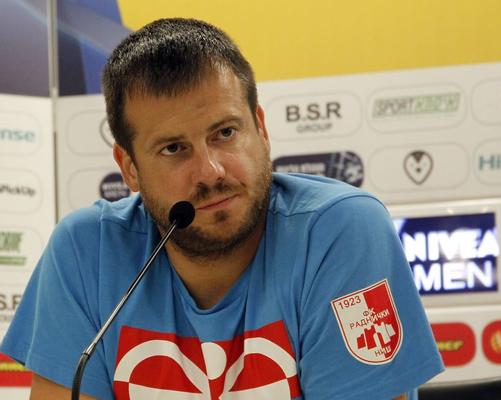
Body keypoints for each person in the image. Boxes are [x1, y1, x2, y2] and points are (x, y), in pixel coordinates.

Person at [1, 18, 443, 399]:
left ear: (261, 129)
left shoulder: (338, 232)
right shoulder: (87, 251)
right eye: (174, 148)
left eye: (225, 133)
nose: (210, 171)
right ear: (130, 168)